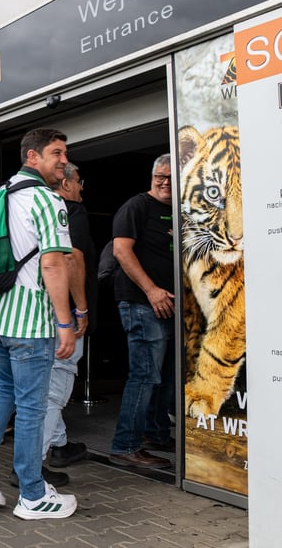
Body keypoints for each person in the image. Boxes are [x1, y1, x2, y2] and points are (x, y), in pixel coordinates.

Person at [0, 128, 78, 520]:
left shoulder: (2, 194)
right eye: (56, 153)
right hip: (29, 324)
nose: (63, 160)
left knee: (4, 391)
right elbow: (53, 263)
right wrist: (66, 323)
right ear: (33, 157)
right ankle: (32, 495)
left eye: (64, 153)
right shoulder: (48, 200)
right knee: (31, 408)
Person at [11, 162, 93, 489]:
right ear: (67, 183)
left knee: (44, 388)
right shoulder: (71, 210)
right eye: (79, 181)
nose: (81, 188)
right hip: (62, 316)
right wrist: (80, 310)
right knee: (56, 388)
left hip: (34, 314)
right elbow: (71, 259)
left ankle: (59, 445)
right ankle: (30, 467)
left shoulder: (26, 208)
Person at [108, 154, 174, 469]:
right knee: (145, 375)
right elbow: (121, 250)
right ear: (152, 176)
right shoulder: (137, 206)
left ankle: (156, 433)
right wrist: (151, 290)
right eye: (160, 176)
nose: (165, 183)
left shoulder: (179, 210)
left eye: (172, 178)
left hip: (169, 305)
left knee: (165, 377)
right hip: (141, 303)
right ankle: (125, 446)